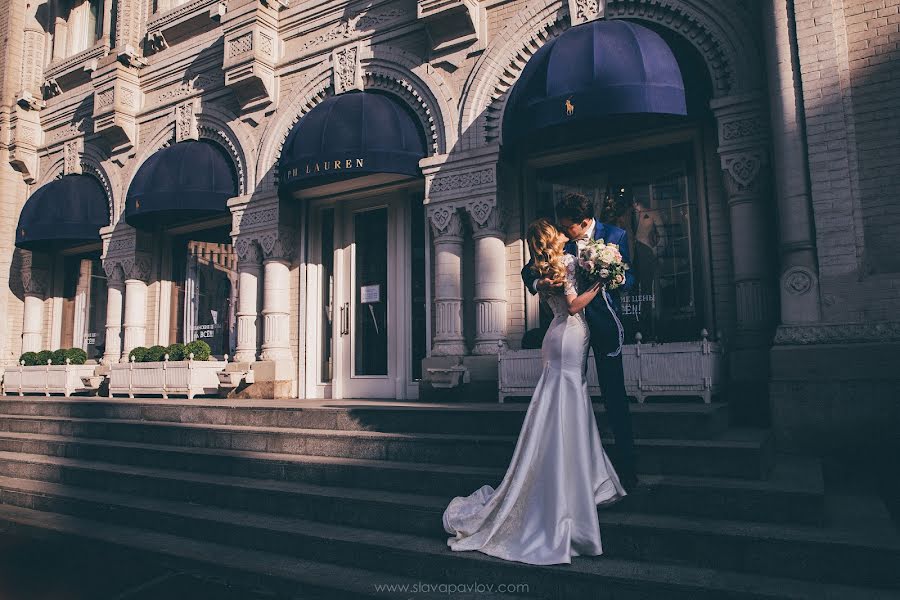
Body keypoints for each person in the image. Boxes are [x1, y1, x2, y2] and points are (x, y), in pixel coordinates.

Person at [441, 218, 626, 565]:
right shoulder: (568, 263)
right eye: (556, 232)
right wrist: (599, 284)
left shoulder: (541, 274)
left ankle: (577, 475)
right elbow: (573, 306)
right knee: (569, 399)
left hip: (553, 337)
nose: (561, 234)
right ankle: (575, 481)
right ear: (552, 238)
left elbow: (557, 305)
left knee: (557, 402)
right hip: (570, 332)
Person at [524, 192, 639, 491]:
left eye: (568, 228)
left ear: (585, 222)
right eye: (561, 227)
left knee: (615, 396)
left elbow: (631, 277)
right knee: (569, 393)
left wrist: (611, 274)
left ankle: (626, 469)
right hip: (570, 331)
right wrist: (539, 283)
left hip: (601, 326)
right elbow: (529, 268)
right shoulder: (561, 243)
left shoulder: (615, 236)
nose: (563, 232)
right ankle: (570, 467)